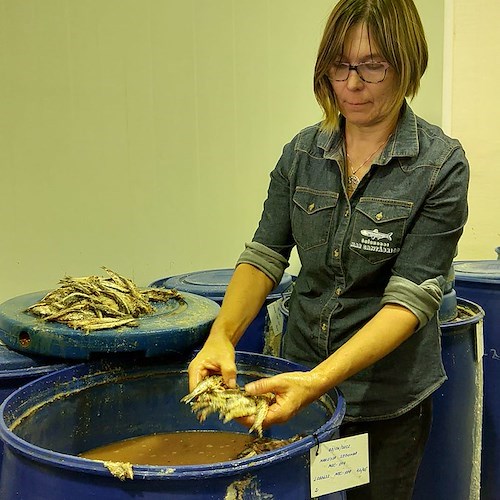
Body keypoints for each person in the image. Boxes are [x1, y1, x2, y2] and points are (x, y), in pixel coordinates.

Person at [188, 0, 469, 498]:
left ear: (407, 64)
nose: (353, 84)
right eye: (339, 66)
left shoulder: (439, 165)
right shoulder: (302, 153)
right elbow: (264, 256)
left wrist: (316, 380)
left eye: (373, 66)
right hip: (298, 393)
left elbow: (411, 300)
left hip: (386, 404)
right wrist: (222, 335)